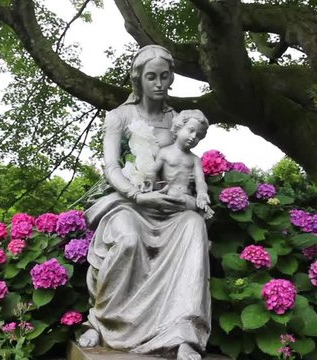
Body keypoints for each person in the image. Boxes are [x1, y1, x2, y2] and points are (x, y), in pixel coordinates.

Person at [79, 45, 211, 360]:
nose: (159, 83)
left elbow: (190, 163)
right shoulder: (119, 116)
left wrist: (193, 196)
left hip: (170, 206)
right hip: (129, 202)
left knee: (194, 228)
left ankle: (183, 335)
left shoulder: (180, 120)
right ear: (138, 79)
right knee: (127, 239)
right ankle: (99, 322)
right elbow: (111, 166)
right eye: (151, 76)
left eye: (165, 76)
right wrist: (138, 194)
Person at [153, 109, 214, 219]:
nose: (194, 136)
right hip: (168, 194)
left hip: (187, 198)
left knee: (193, 202)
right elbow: (152, 172)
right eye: (191, 130)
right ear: (178, 127)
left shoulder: (195, 159)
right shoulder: (165, 152)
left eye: (199, 136)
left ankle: (201, 208)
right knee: (171, 195)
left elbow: (200, 180)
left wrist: (202, 193)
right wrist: (149, 182)